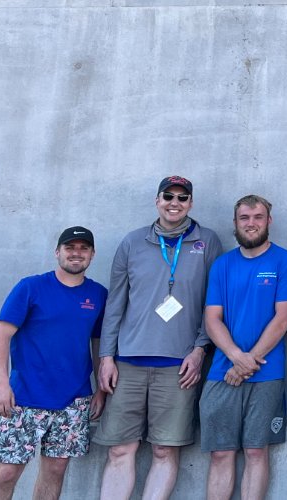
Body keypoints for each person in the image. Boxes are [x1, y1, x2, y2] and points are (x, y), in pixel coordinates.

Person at [97, 176, 223, 500]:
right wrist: (107, 358)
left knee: (165, 451)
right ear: (157, 200)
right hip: (128, 363)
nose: (174, 203)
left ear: (191, 203)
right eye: (168, 196)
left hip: (179, 366)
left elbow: (215, 303)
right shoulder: (131, 242)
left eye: (182, 198)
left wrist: (198, 351)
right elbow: (115, 305)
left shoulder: (208, 242)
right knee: (120, 451)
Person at [0, 227, 108, 500]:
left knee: (56, 469)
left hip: (73, 400)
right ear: (57, 252)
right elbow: (0, 337)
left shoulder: (98, 295)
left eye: (83, 248)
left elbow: (99, 344)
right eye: (70, 248)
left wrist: (99, 388)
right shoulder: (31, 287)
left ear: (92, 254)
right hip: (24, 396)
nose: (76, 253)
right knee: (7, 471)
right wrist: (0, 384)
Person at [200, 195, 287, 500]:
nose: (251, 223)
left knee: (256, 451)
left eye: (258, 217)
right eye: (244, 217)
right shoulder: (222, 265)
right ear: (235, 223)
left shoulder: (284, 261)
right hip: (222, 371)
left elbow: (283, 320)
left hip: (266, 373)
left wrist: (248, 362)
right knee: (220, 453)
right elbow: (212, 319)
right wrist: (235, 357)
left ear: (269, 221)